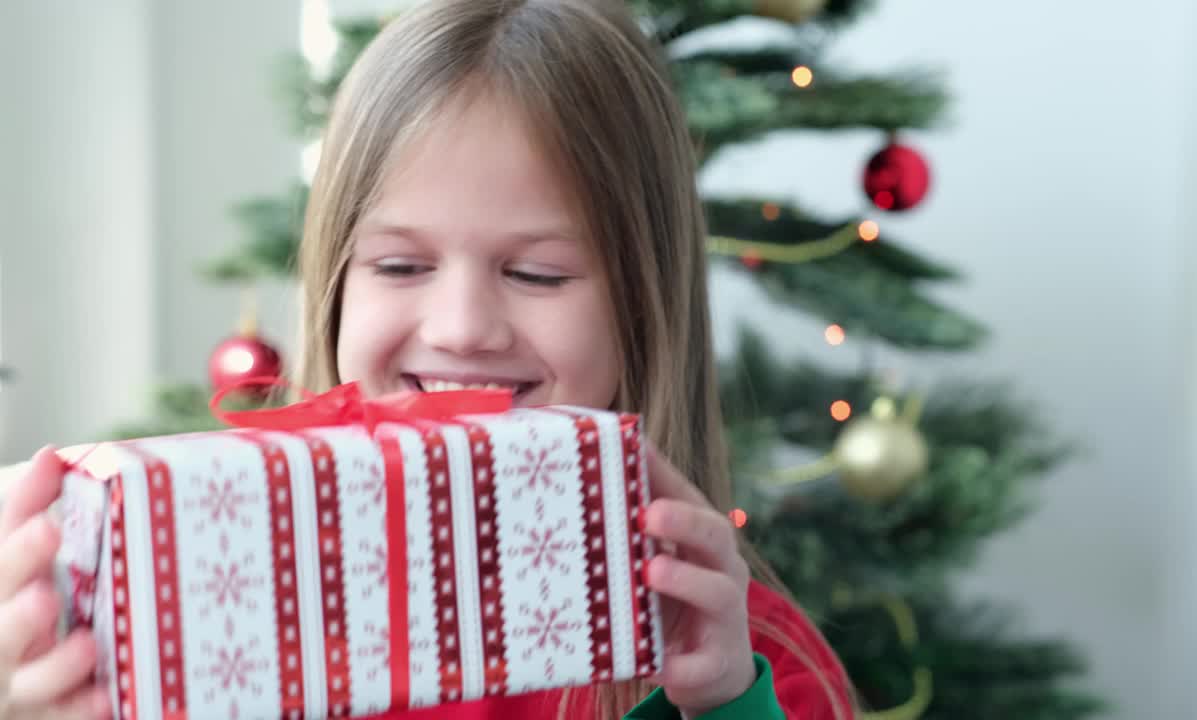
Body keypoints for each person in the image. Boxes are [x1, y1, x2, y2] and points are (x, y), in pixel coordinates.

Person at [0, 1, 857, 718]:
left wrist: (724, 707)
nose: (462, 328)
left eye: (536, 273)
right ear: (337, 283)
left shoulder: (749, 665)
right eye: (400, 266)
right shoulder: (199, 595)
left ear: (643, 304)